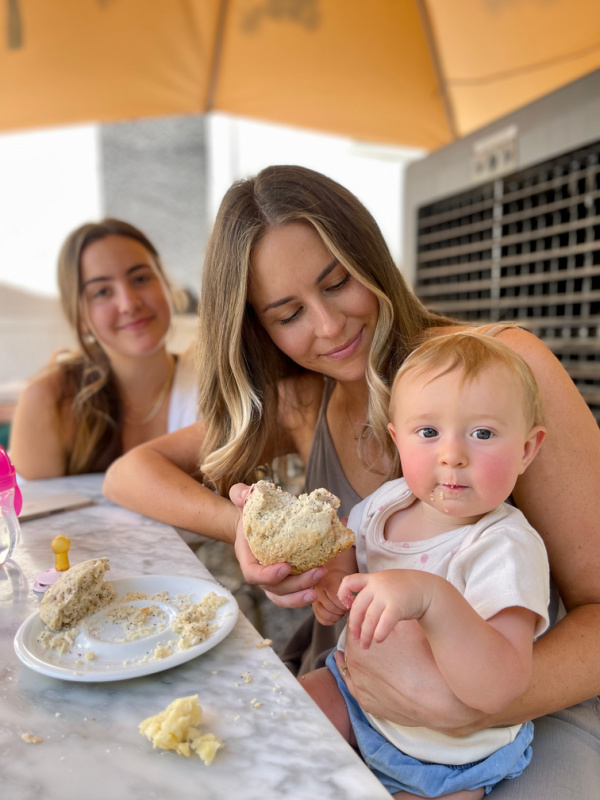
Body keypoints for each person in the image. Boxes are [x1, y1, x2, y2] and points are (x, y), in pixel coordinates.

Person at [103, 165, 600, 799]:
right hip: (351, 695)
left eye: (338, 282)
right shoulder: (301, 400)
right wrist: (248, 530)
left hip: (509, 725)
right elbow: (129, 474)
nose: (329, 326)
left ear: (370, 257)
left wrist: (464, 707)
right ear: (258, 330)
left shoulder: (506, 368)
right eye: (288, 314)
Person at [300, 331, 549, 799]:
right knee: (281, 717)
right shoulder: (389, 502)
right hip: (356, 696)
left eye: (482, 433)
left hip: (448, 754)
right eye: (429, 433)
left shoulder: (504, 547)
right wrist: (335, 577)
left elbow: (501, 687)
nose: (452, 456)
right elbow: (348, 539)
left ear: (526, 449)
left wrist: (432, 600)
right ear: (398, 439)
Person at [10, 218, 197, 478]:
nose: (129, 303)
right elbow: (26, 504)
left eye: (141, 279)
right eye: (102, 292)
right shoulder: (48, 401)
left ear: (167, 286)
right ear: (80, 318)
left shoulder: (212, 384)